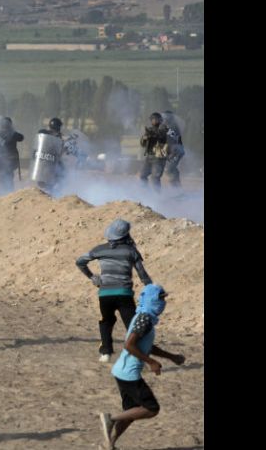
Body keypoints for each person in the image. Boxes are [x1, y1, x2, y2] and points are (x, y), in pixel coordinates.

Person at [98, 284, 185, 450]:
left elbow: (147, 345)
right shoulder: (144, 318)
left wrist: (171, 357)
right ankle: (111, 419)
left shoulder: (145, 318)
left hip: (122, 371)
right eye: (161, 299)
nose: (163, 303)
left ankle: (108, 444)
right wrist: (151, 362)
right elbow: (129, 345)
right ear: (151, 300)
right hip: (128, 373)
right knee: (151, 409)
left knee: (131, 412)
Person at [76, 219, 153, 363]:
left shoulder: (100, 249)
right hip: (124, 294)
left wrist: (92, 277)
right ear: (125, 235)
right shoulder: (131, 251)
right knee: (132, 325)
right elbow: (143, 274)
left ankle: (105, 352)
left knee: (107, 321)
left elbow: (80, 261)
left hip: (105, 294)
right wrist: (152, 290)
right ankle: (138, 356)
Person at [0, 117, 24, 194]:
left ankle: (2, 192)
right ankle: (8, 193)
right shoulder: (13, 134)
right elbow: (21, 137)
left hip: (1, 160)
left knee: (2, 176)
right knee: (9, 177)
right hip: (10, 160)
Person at [139, 112, 169, 192]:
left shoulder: (163, 128)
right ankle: (145, 193)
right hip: (149, 157)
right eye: (153, 119)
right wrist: (145, 138)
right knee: (142, 176)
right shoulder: (150, 130)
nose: (154, 121)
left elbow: (161, 136)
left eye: (156, 119)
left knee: (155, 178)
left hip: (159, 158)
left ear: (160, 120)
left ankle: (157, 197)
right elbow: (143, 144)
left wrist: (153, 134)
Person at [162, 110, 185, 189]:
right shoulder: (169, 126)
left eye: (165, 118)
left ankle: (177, 189)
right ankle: (177, 189)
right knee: (172, 169)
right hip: (174, 151)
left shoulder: (172, 126)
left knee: (169, 169)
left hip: (177, 151)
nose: (163, 119)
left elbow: (174, 138)